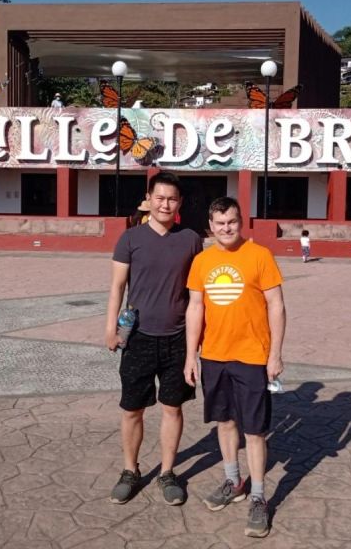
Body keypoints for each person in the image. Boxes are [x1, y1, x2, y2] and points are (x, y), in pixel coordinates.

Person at [184, 196, 286, 538]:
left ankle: (258, 497)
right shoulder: (202, 261)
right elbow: (195, 308)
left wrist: (275, 354)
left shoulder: (259, 255)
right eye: (219, 223)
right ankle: (233, 481)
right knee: (225, 422)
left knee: (254, 431)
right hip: (214, 356)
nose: (226, 228)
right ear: (210, 227)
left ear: (241, 222)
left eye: (231, 222)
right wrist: (191, 355)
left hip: (252, 357)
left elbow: (276, 305)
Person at [105, 172, 203, 507]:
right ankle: (130, 470)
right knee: (132, 409)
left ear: (180, 203)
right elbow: (117, 287)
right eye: (159, 198)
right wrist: (110, 328)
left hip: (177, 339)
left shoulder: (191, 239)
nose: (165, 204)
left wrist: (197, 343)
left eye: (172, 199)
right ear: (149, 199)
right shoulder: (130, 238)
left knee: (172, 408)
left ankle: (167, 472)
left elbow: (197, 294)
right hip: (139, 338)